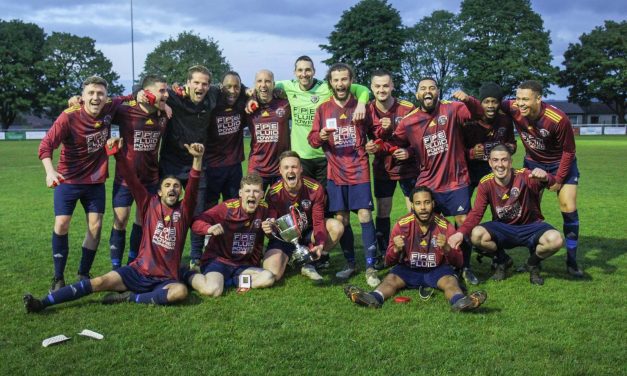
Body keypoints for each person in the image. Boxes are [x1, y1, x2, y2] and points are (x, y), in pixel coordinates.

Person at [24, 139, 205, 312]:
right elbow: (131, 179)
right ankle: (41, 303)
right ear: (159, 191)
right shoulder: (148, 203)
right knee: (98, 282)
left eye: (176, 186)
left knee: (180, 292)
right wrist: (117, 155)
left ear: (180, 192)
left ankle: (130, 297)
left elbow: (194, 186)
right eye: (167, 185)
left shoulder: (184, 210)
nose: (172, 188)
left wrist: (197, 159)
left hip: (165, 278)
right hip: (138, 271)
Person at [377, 77, 479, 285]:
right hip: (429, 183)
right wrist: (402, 149)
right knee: (429, 225)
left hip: (456, 180)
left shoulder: (453, 109)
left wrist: (468, 99)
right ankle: (435, 264)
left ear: (438, 91)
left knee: (461, 224)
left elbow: (476, 113)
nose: (428, 91)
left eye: (432, 87)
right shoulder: (409, 120)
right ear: (417, 95)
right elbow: (392, 144)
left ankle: (466, 267)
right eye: (423, 88)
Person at [38, 76, 128, 292]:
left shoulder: (110, 107)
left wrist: (165, 100)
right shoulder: (68, 117)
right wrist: (50, 172)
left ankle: (83, 274)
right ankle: (58, 277)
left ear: (106, 97)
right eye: (91, 93)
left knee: (95, 227)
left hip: (95, 181)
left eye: (100, 93)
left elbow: (134, 97)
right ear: (83, 96)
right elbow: (46, 145)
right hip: (67, 179)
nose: (95, 97)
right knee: (61, 224)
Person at [344, 186, 487, 311]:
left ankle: (460, 302)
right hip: (409, 269)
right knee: (391, 279)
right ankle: (373, 297)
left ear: (433, 203)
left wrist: (447, 248)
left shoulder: (444, 225)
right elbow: (388, 260)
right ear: (412, 205)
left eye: (426, 202)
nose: (423, 207)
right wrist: (396, 250)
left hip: (437, 271)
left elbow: (459, 262)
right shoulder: (402, 225)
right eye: (418, 203)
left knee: (451, 281)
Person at [447, 145, 564, 285]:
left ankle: (532, 264)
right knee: (476, 235)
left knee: (556, 240)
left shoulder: (525, 176)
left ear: (510, 162)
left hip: (530, 226)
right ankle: (503, 260)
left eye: (504, 160)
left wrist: (546, 177)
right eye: (495, 160)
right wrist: (460, 233)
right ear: (490, 162)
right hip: (503, 228)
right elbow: (476, 213)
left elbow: (554, 184)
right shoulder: (486, 183)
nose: (500, 165)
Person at [501, 80, 583, 277]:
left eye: (525, 99)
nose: (520, 103)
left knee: (568, 208)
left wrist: (558, 179)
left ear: (538, 98)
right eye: (518, 98)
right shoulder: (513, 107)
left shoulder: (558, 119)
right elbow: (492, 102)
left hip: (560, 163)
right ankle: (534, 261)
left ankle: (571, 261)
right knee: (530, 210)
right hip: (533, 163)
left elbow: (569, 151)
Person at [308, 63, 379, 287]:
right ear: (330, 82)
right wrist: (319, 136)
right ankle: (350, 264)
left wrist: (375, 142)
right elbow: (312, 140)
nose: (340, 84)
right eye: (336, 80)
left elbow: (376, 132)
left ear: (351, 81)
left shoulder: (362, 107)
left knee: (365, 215)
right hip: (335, 172)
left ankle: (371, 267)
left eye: (345, 79)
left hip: (359, 170)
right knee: (342, 219)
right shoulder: (323, 109)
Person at [271, 55, 371, 187]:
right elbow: (265, 85)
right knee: (305, 198)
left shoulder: (326, 87)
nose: (304, 74)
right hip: (301, 155)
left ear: (314, 71)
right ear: (294, 72)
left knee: (324, 200)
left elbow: (363, 89)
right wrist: (252, 95)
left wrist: (361, 104)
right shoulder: (288, 86)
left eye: (308, 70)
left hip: (325, 155)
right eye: (300, 70)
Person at [160, 65, 220, 267]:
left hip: (197, 164)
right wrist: (162, 101)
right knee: (167, 213)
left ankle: (196, 258)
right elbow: (140, 90)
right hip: (171, 166)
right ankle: (165, 254)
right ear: (187, 83)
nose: (200, 87)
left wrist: (250, 93)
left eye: (204, 83)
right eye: (196, 82)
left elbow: (235, 86)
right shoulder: (173, 96)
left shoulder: (213, 95)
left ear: (209, 86)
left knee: (198, 212)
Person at [108, 74, 169, 269]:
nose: (165, 95)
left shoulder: (164, 114)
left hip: (151, 179)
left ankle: (133, 261)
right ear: (147, 92)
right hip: (125, 179)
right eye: (161, 91)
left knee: (143, 221)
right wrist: (132, 95)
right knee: (121, 220)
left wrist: (164, 105)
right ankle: (116, 267)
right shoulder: (126, 112)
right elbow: (105, 107)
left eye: (166, 91)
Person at [185, 174, 275, 297]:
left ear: (262, 194)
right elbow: (196, 222)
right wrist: (209, 228)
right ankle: (186, 274)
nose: (252, 195)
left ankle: (231, 281)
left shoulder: (264, 209)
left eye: (256, 191)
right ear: (240, 193)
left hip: (243, 265)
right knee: (213, 290)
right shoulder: (228, 208)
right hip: (218, 261)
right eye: (247, 191)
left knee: (268, 277)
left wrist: (271, 229)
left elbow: (274, 227)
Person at [263, 151, 344, 282]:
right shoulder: (273, 192)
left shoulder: (315, 188)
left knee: (337, 226)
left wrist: (320, 244)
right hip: (285, 238)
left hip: (307, 233)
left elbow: (318, 221)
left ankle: (311, 263)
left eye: (294, 167)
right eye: (286, 167)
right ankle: (288, 257)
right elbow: (271, 225)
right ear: (280, 171)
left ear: (301, 169)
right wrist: (268, 227)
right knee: (272, 275)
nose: (290, 171)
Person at [366, 69, 417, 265]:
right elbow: (365, 138)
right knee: (383, 210)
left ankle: (413, 249)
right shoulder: (367, 110)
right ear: (371, 87)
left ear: (393, 86)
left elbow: (420, 139)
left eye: (386, 85)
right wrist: (368, 146)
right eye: (377, 86)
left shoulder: (407, 108)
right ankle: (385, 252)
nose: (382, 90)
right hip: (383, 168)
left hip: (408, 167)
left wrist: (409, 152)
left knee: (414, 209)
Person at [453, 82, 516, 196]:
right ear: (480, 103)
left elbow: (512, 143)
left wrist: (510, 148)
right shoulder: (468, 121)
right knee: (463, 206)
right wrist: (472, 153)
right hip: (469, 169)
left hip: (495, 167)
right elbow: (455, 150)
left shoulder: (505, 120)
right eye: (486, 102)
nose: (490, 105)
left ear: (499, 103)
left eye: (494, 101)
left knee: (505, 202)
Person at [246, 69, 291, 191]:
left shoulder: (285, 104)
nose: (263, 85)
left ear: (274, 84)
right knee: (254, 206)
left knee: (280, 207)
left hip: (280, 168)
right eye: (259, 81)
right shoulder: (248, 107)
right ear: (255, 85)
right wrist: (250, 97)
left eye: (267, 81)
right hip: (257, 168)